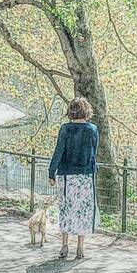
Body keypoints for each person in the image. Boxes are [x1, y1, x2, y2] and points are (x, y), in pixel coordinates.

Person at [47, 96, 99, 260]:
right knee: (83, 210)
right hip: (85, 176)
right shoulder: (93, 129)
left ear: (71, 111)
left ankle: (64, 245)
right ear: (86, 111)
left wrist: (51, 172)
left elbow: (58, 151)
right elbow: (93, 152)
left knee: (66, 208)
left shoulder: (65, 129)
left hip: (66, 175)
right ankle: (80, 248)